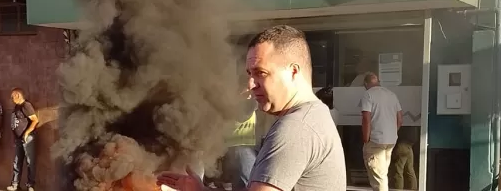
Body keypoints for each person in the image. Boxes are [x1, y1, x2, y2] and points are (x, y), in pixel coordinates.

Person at [158, 25, 346, 191]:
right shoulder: (312, 115)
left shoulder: (296, 128)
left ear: (293, 71)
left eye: (261, 73)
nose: (250, 84)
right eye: (249, 74)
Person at [359, 73, 403, 191]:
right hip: (390, 140)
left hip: (375, 140)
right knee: (382, 173)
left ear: (366, 84)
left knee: (379, 177)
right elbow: (400, 118)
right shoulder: (391, 95)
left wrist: (366, 138)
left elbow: (366, 118)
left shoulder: (368, 95)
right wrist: (393, 132)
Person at [220, 90, 258, 191]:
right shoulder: (243, 106)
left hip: (230, 149)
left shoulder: (227, 105)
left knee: (232, 183)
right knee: (248, 184)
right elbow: (253, 105)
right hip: (242, 149)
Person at [7, 88, 39, 191]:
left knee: (30, 161)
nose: (11, 99)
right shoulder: (17, 107)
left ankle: (31, 185)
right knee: (17, 162)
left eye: (12, 97)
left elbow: (35, 120)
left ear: (18, 95)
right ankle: (15, 184)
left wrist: (26, 133)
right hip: (18, 139)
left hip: (27, 138)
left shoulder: (26, 105)